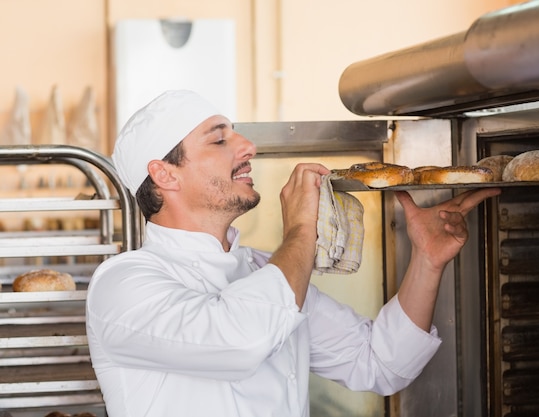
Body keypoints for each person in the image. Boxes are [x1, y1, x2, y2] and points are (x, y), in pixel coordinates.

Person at [86, 89, 501, 417]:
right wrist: (302, 228)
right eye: (220, 138)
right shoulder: (123, 285)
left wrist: (427, 260)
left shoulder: (266, 270)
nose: (248, 146)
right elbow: (240, 340)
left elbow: (378, 363)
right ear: (164, 174)